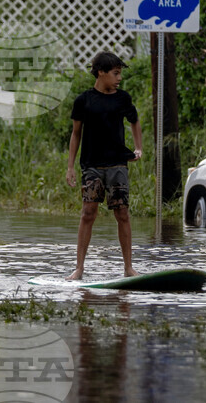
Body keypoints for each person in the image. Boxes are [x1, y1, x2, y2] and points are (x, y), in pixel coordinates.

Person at [65, 51, 143, 281]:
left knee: (122, 213)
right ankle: (79, 268)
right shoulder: (83, 100)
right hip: (91, 165)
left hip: (118, 164)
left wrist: (138, 148)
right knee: (88, 213)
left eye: (120, 73)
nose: (119, 78)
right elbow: (76, 134)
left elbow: (134, 121)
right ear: (101, 72)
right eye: (115, 73)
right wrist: (70, 167)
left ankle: (129, 267)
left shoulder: (123, 98)